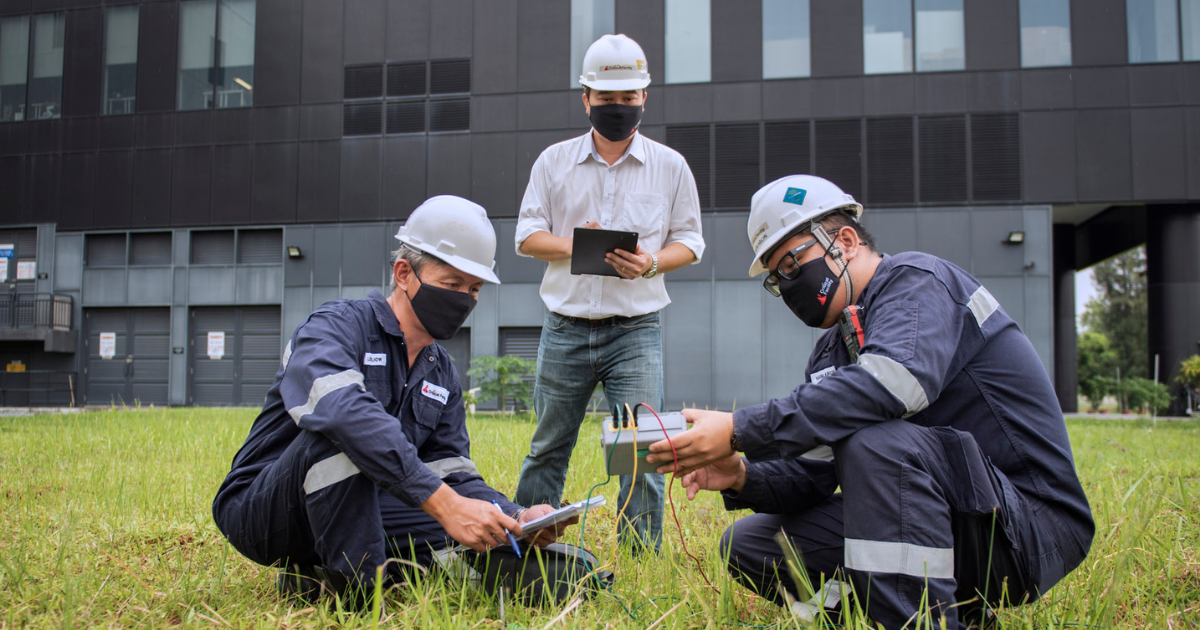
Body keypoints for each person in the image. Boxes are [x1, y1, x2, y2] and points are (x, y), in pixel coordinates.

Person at [647, 175, 1094, 629]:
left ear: (845, 240)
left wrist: (740, 429)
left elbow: (895, 384)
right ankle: (955, 614)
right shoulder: (833, 351)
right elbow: (812, 473)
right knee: (752, 545)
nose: (785, 285)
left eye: (791, 265)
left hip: (1030, 527)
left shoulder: (918, 282)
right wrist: (741, 474)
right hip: (954, 519)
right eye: (775, 278)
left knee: (878, 442)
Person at [212, 196, 572, 607]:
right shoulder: (337, 326)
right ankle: (359, 598)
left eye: (473, 289)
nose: (464, 299)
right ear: (404, 273)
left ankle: (322, 575)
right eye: (452, 284)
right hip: (265, 512)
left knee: (476, 533)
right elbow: (342, 414)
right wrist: (444, 505)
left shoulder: (441, 371)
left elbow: (451, 470)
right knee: (347, 438)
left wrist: (514, 516)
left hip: (364, 502)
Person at [512, 33, 705, 551]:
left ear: (644, 98)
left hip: (636, 330)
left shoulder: (670, 166)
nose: (618, 108)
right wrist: (580, 245)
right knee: (549, 445)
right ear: (586, 99)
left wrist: (650, 263)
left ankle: (640, 554)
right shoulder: (553, 162)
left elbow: (691, 241)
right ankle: (527, 543)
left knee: (641, 449)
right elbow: (526, 237)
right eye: (607, 99)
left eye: (628, 98)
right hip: (565, 327)